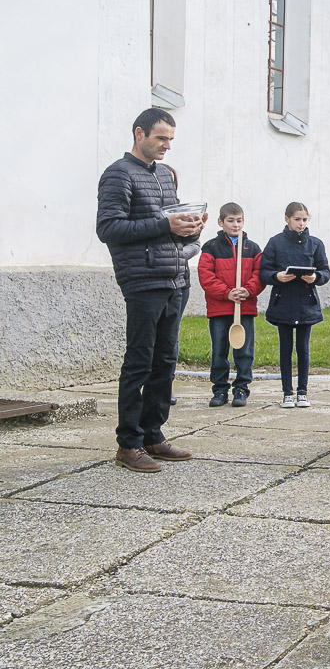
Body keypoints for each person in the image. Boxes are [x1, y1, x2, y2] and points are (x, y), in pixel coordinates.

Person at [96, 108, 202, 472]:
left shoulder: (165, 176)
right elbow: (109, 228)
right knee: (140, 363)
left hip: (174, 278)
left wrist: (190, 228)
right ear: (139, 133)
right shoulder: (117, 174)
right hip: (142, 281)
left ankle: (153, 435)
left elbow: (169, 225)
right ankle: (128, 444)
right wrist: (164, 223)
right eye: (161, 138)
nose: (167, 146)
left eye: (171, 139)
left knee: (166, 362)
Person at [260, 202, 330, 408]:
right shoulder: (275, 242)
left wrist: (316, 277)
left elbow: (325, 271)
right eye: (297, 219)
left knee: (303, 348)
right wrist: (277, 276)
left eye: (304, 220)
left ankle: (303, 392)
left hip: (306, 303)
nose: (301, 224)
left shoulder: (315, 244)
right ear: (287, 219)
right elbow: (264, 272)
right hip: (283, 302)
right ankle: (287, 393)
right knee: (285, 348)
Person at [198, 203, 264, 407]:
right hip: (220, 308)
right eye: (231, 220)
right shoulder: (211, 247)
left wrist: (247, 290)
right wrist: (227, 293)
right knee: (219, 350)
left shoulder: (252, 248)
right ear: (221, 222)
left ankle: (242, 388)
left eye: (239, 220)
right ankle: (219, 390)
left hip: (244, 307)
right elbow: (206, 277)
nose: (236, 225)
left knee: (244, 351)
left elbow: (259, 274)